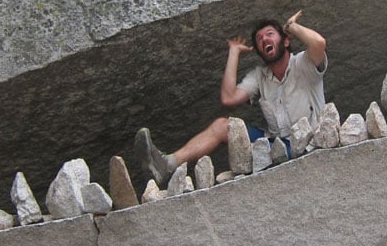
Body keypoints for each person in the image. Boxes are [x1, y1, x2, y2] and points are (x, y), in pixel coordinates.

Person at [135, 10, 328, 185]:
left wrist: (291, 27)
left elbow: (318, 43)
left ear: (285, 41)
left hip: (308, 144)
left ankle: (259, 153)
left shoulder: (303, 63)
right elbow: (229, 98)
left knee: (252, 148)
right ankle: (167, 165)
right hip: (276, 144)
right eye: (259, 39)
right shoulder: (260, 76)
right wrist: (233, 52)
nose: (264, 40)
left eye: (270, 34)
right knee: (222, 126)